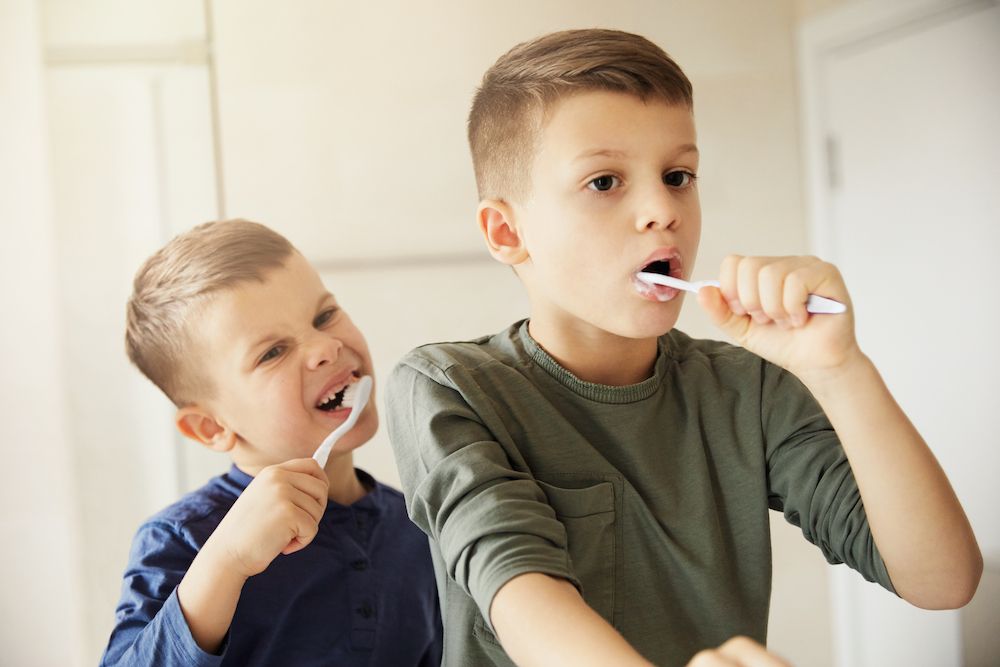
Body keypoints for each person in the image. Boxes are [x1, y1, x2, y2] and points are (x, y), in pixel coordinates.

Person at [384, 29, 982, 667]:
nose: (661, 210)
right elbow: (521, 595)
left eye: (678, 176)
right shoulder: (448, 386)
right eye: (605, 181)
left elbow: (942, 581)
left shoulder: (748, 388)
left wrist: (840, 369)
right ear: (507, 230)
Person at [101, 219, 442, 666]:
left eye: (324, 316)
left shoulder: (418, 526)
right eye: (273, 352)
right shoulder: (185, 539)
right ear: (212, 428)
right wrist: (226, 563)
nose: (325, 347)